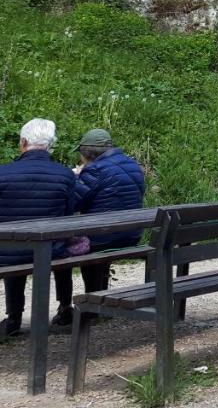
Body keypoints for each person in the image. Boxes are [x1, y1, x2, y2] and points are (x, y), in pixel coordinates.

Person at [49, 129, 146, 330]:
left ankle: (67, 308)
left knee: (60, 250)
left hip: (104, 237)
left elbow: (73, 203)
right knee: (94, 243)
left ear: (88, 154)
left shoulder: (94, 171)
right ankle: (100, 301)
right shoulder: (132, 165)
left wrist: (76, 177)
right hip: (131, 234)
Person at [0, 119, 76, 339]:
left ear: (23, 142)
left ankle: (14, 318)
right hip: (53, 250)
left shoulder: (3, 173)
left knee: (13, 246)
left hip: (10, 252)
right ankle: (64, 307)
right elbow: (68, 215)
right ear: (50, 145)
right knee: (60, 244)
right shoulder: (65, 175)